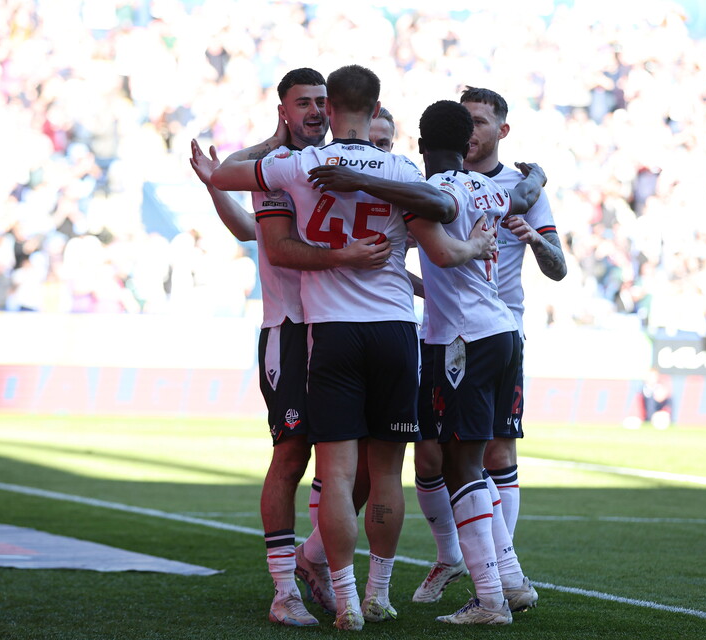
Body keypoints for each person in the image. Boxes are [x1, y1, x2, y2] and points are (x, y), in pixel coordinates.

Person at [212, 64, 496, 631]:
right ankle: (379, 594)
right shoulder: (400, 168)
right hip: (395, 327)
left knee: (336, 474)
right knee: (387, 473)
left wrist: (279, 142)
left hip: (332, 328)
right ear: (376, 106)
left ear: (331, 107)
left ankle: (343, 601)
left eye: (320, 103)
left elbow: (223, 177)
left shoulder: (299, 164)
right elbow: (437, 218)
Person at [190, 67, 388, 628]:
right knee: (293, 454)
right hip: (292, 330)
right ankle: (285, 591)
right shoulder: (278, 167)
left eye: (322, 101)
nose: (315, 111)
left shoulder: (335, 167)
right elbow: (247, 223)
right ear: (284, 109)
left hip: (349, 330)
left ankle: (314, 559)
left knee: (366, 464)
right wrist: (265, 148)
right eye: (303, 102)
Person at [411, 87, 567, 605]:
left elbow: (558, 267)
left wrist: (531, 238)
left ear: (501, 130)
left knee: (479, 455)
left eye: (482, 120)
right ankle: (475, 567)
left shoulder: (446, 188)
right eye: (467, 121)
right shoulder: (497, 188)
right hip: (458, 331)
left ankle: (502, 580)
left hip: (478, 334)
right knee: (434, 456)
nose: (474, 129)